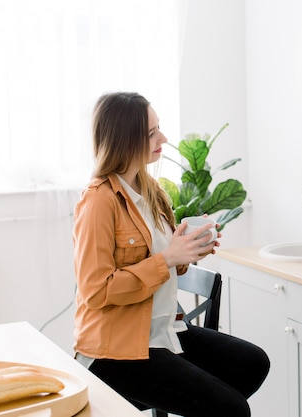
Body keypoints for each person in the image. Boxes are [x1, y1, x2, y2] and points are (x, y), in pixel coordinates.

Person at [72, 92, 269, 417]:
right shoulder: (98, 202)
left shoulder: (151, 191)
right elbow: (97, 291)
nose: (163, 138)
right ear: (124, 139)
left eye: (158, 128)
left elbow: (163, 266)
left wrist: (187, 252)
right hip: (114, 352)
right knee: (232, 410)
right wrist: (166, 259)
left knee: (251, 364)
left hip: (162, 331)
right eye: (151, 133)